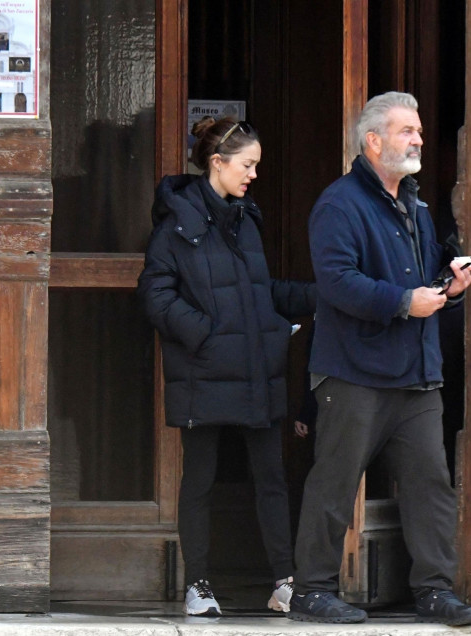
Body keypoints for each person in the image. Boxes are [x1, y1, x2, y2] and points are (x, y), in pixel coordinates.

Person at [286, 92, 471, 627]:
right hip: (353, 372)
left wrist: (450, 287)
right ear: (373, 141)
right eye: (406, 131)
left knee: (430, 486)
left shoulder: (415, 206)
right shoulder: (339, 203)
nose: (418, 139)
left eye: (418, 131)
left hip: (417, 375)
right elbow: (338, 282)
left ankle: (435, 591)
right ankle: (312, 591)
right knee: (334, 485)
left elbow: (421, 286)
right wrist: (402, 303)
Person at [137, 117, 315, 617]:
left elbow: (261, 292)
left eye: (256, 165)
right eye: (248, 164)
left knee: (271, 477)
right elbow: (154, 294)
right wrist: (206, 335)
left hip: (255, 370)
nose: (254, 174)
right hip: (204, 371)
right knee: (200, 480)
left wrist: (319, 299)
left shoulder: (245, 218)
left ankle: (284, 582)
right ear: (217, 163)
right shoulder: (177, 222)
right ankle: (198, 586)